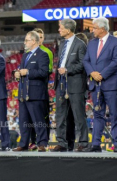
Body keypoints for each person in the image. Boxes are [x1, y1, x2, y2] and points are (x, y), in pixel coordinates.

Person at [83, 17, 117, 152]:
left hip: (111, 84)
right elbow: (86, 61)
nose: (92, 30)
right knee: (97, 114)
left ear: (102, 28)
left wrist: (102, 74)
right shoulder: (92, 43)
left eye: (94, 27)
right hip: (95, 85)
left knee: (114, 114)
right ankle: (96, 144)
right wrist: (92, 73)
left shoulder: (116, 42)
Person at [52, 19, 88, 152]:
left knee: (79, 115)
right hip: (61, 84)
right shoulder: (62, 44)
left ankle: (83, 142)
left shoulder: (80, 45)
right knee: (60, 115)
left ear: (68, 29)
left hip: (75, 84)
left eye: (60, 27)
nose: (59, 30)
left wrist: (68, 69)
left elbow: (83, 64)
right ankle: (62, 142)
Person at [12, 31, 49, 152]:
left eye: (27, 40)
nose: (25, 43)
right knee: (23, 120)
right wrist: (18, 74)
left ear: (34, 41)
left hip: (35, 93)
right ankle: (24, 143)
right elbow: (22, 71)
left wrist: (27, 72)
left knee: (38, 120)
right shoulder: (25, 55)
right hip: (23, 92)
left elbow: (44, 73)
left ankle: (42, 143)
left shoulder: (43, 54)